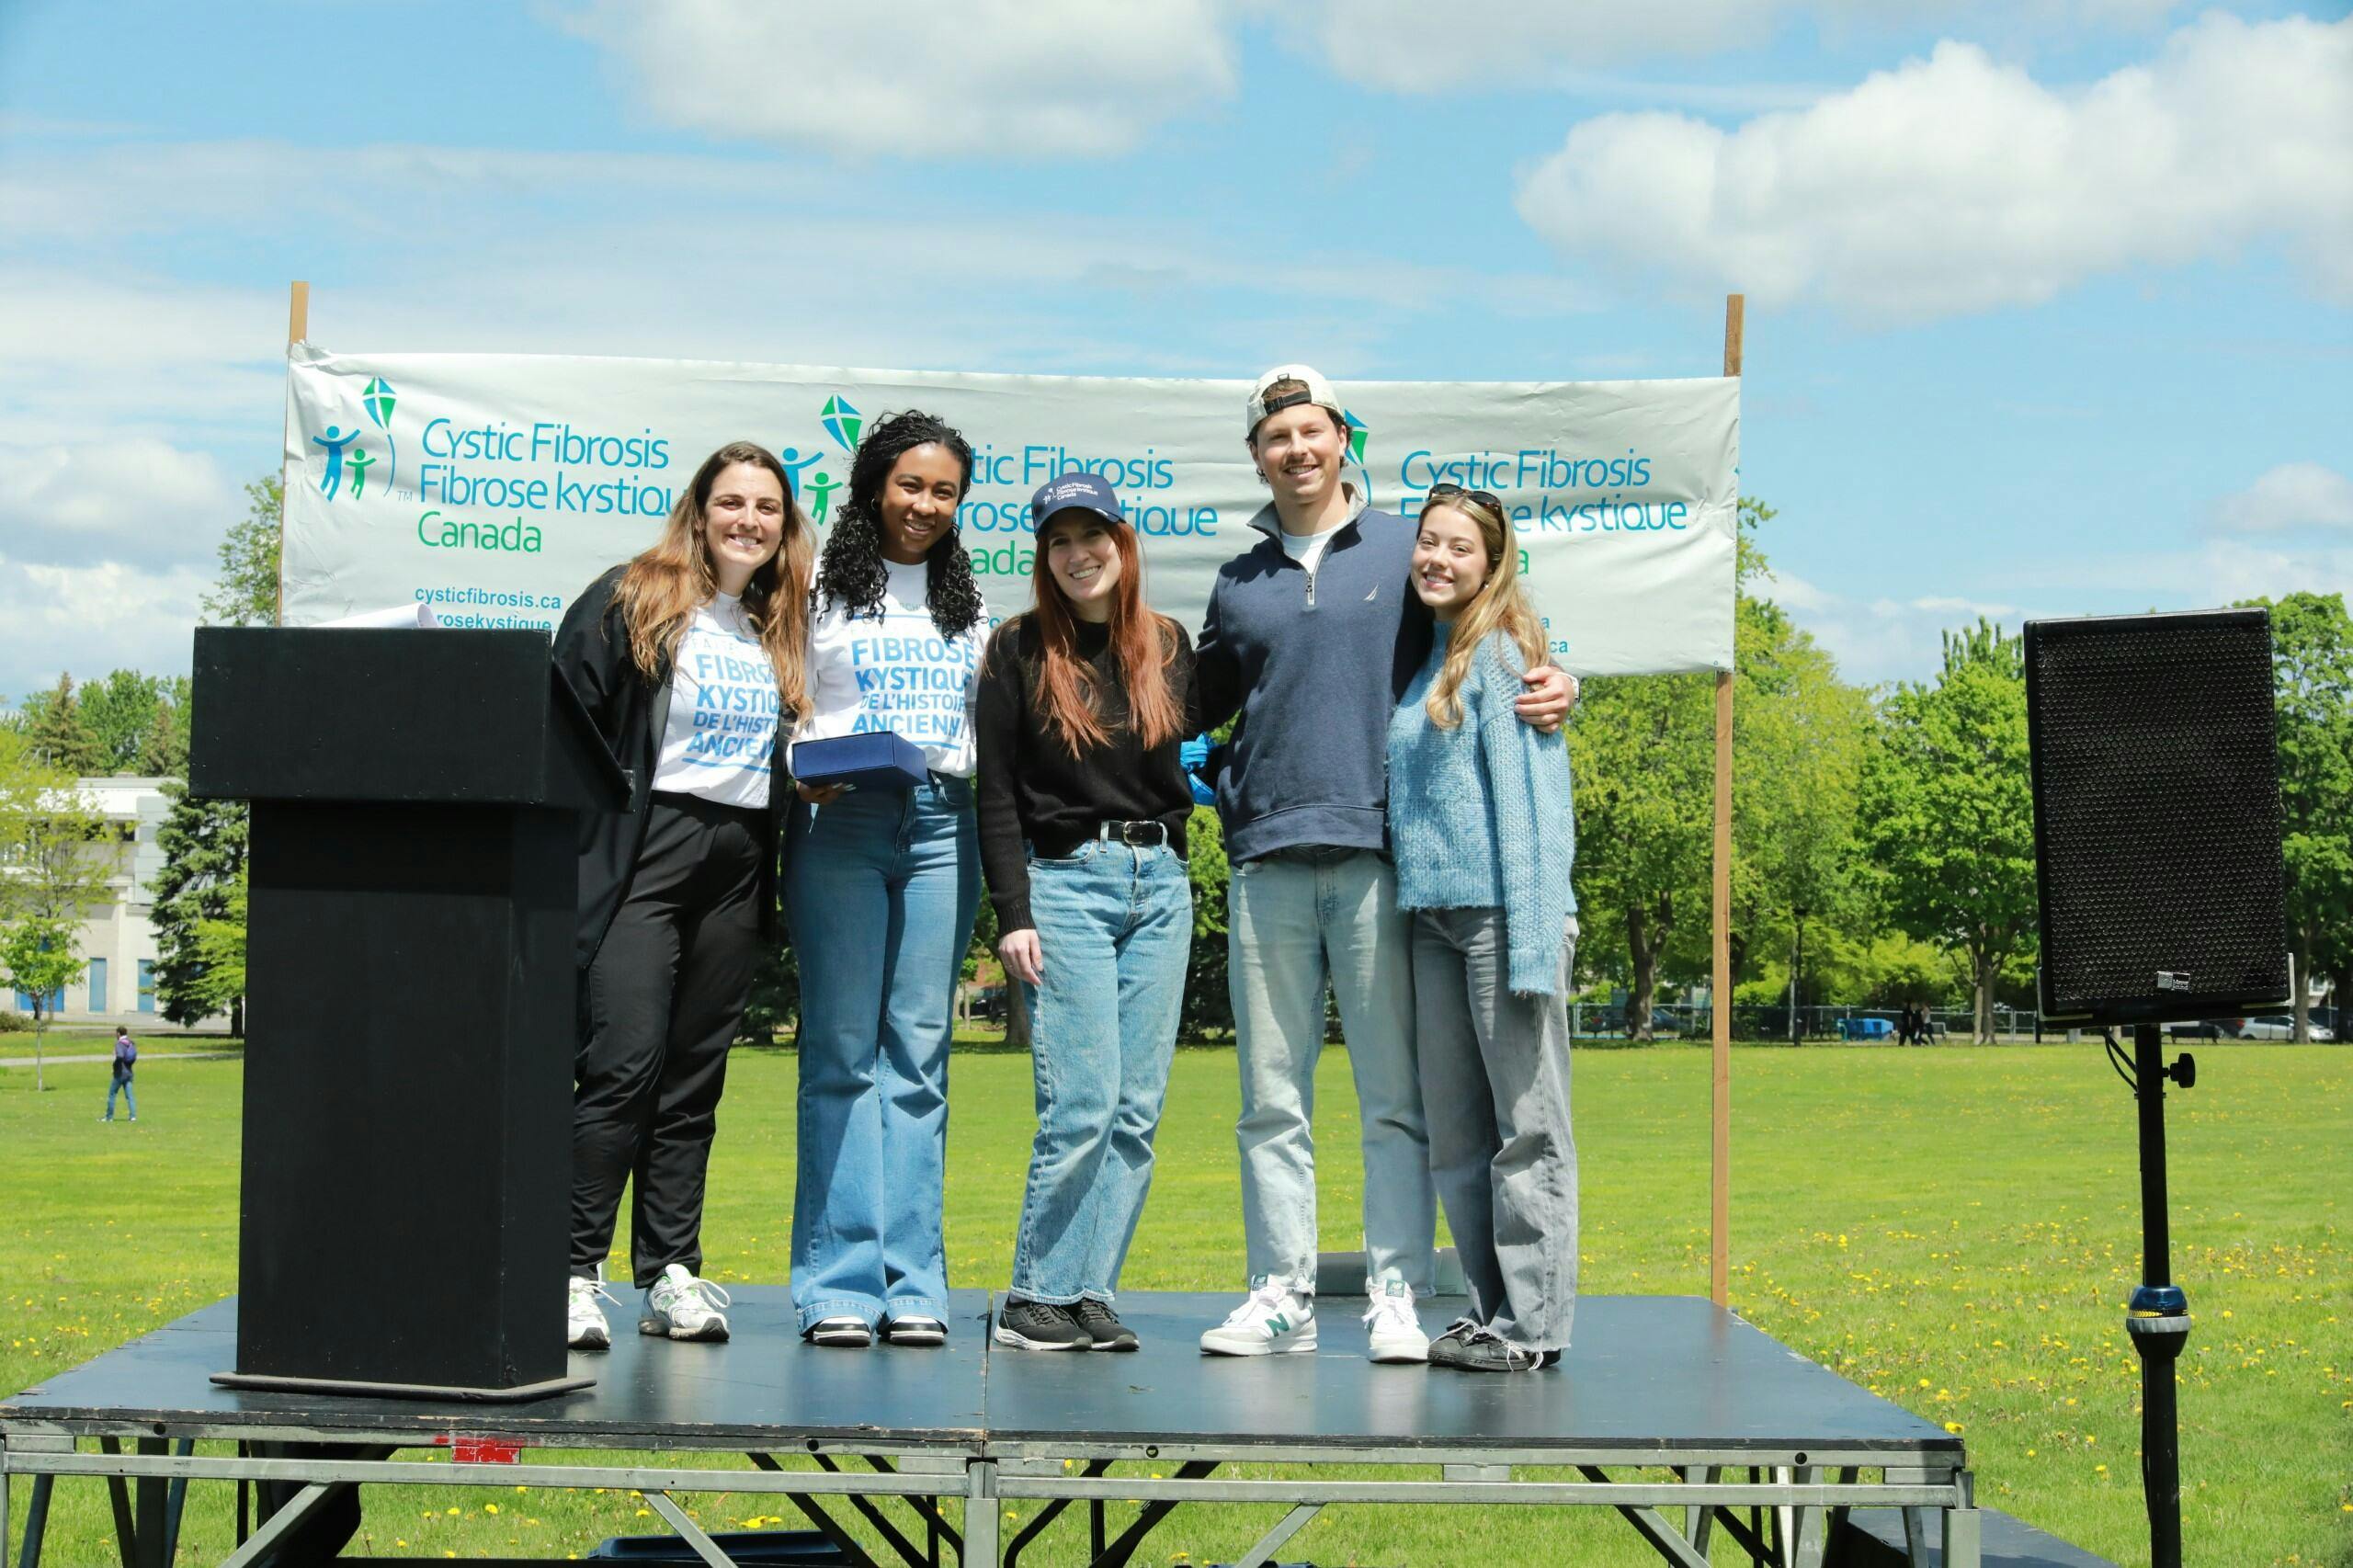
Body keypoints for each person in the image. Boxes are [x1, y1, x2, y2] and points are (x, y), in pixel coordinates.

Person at [1192, 366, 1574, 1361]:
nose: (1297, 450)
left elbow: (1495, 615)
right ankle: (1280, 1292)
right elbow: (1193, 701)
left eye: (1312, 430)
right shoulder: (1238, 581)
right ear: (1257, 455)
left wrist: (1557, 671)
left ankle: (1397, 1294)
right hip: (1265, 854)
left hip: (1379, 863)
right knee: (1269, 1098)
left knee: (1396, 1101)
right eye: (1277, 437)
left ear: (1342, 438)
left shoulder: (1408, 541)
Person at [553, 440, 813, 1350]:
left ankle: (669, 1269)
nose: (748, 520)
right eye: (731, 502)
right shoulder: (636, 593)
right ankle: (570, 1272)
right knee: (622, 1063)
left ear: (785, 526)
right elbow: (565, 717)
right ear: (700, 511)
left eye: (766, 507)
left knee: (693, 1079)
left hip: (737, 859)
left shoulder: (778, 622)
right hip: (644, 852)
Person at [977, 473, 1197, 1353]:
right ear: (1044, 556)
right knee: (1083, 1101)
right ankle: (1035, 1296)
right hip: (1066, 884)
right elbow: (994, 792)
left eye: (1093, 535)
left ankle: (1089, 1294)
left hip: (1163, 885)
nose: (1079, 554)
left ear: (1122, 541)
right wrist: (1012, 912)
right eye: (1060, 540)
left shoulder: (1169, 647)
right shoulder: (1017, 650)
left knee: (1138, 1108)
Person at [787, 410, 987, 1348]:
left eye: (944, 489)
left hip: (944, 825)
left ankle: (914, 1282)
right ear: (874, 485)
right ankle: (837, 1280)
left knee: (919, 1058)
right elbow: (784, 702)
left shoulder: (970, 605)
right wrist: (802, 754)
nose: (925, 504)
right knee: (839, 1056)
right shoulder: (816, 588)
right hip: (843, 821)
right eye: (911, 483)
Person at [1387, 485, 1579, 1372]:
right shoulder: (1430, 658)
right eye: (1429, 542)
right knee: (1458, 1137)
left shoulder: (1506, 659)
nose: (1438, 559)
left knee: (1527, 1129)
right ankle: (1488, 1309)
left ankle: (1534, 1329)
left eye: (1460, 548)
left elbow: (1539, 816)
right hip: (1431, 923)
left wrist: (1538, 943)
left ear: (1492, 562)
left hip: (1506, 923)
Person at [101, 1026, 137, 1122]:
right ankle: (133, 1116)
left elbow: (120, 1056)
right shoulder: (131, 1043)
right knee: (130, 1096)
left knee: (112, 1094)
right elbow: (133, 1057)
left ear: (118, 1033)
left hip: (120, 1073)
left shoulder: (119, 1044)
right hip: (129, 1073)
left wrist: (115, 1066)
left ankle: (109, 1117)